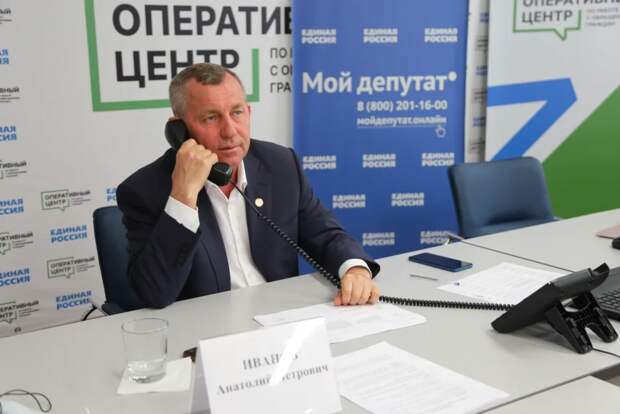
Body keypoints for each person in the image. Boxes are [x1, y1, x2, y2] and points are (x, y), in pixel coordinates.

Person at [117, 63, 380, 309]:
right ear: (179, 130)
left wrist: (355, 269)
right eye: (211, 118)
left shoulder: (280, 165)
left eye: (237, 112)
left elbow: (325, 234)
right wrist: (183, 196)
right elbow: (154, 293)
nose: (230, 130)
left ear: (249, 112)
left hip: (281, 319)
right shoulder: (145, 190)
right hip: (205, 329)